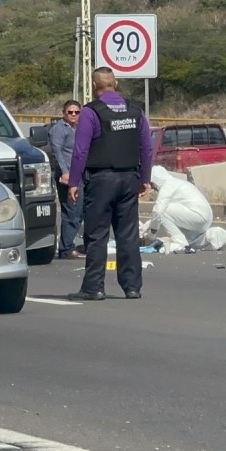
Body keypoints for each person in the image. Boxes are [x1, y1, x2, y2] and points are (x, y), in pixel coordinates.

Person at [66, 67, 153, 301]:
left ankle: (94, 287)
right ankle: (132, 287)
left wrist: (73, 181)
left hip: (101, 179)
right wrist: (145, 178)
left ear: (95, 86)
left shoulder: (91, 112)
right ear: (116, 83)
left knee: (97, 235)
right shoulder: (135, 111)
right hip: (129, 178)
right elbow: (147, 147)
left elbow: (81, 150)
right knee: (128, 235)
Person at [141, 165, 226, 254]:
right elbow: (164, 216)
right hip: (204, 218)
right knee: (190, 240)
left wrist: (151, 236)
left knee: (163, 211)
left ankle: (179, 242)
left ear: (155, 181)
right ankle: (214, 235)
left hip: (197, 216)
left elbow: (159, 212)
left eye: (152, 184)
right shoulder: (177, 183)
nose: (153, 188)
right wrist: (146, 226)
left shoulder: (167, 186)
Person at [49, 100, 84, 259]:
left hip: (79, 174)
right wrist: (64, 172)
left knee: (79, 210)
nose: (73, 115)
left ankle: (69, 245)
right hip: (68, 175)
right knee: (72, 210)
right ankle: (66, 249)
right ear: (64, 113)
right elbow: (57, 151)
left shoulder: (79, 128)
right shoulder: (59, 129)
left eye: (77, 112)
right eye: (70, 112)